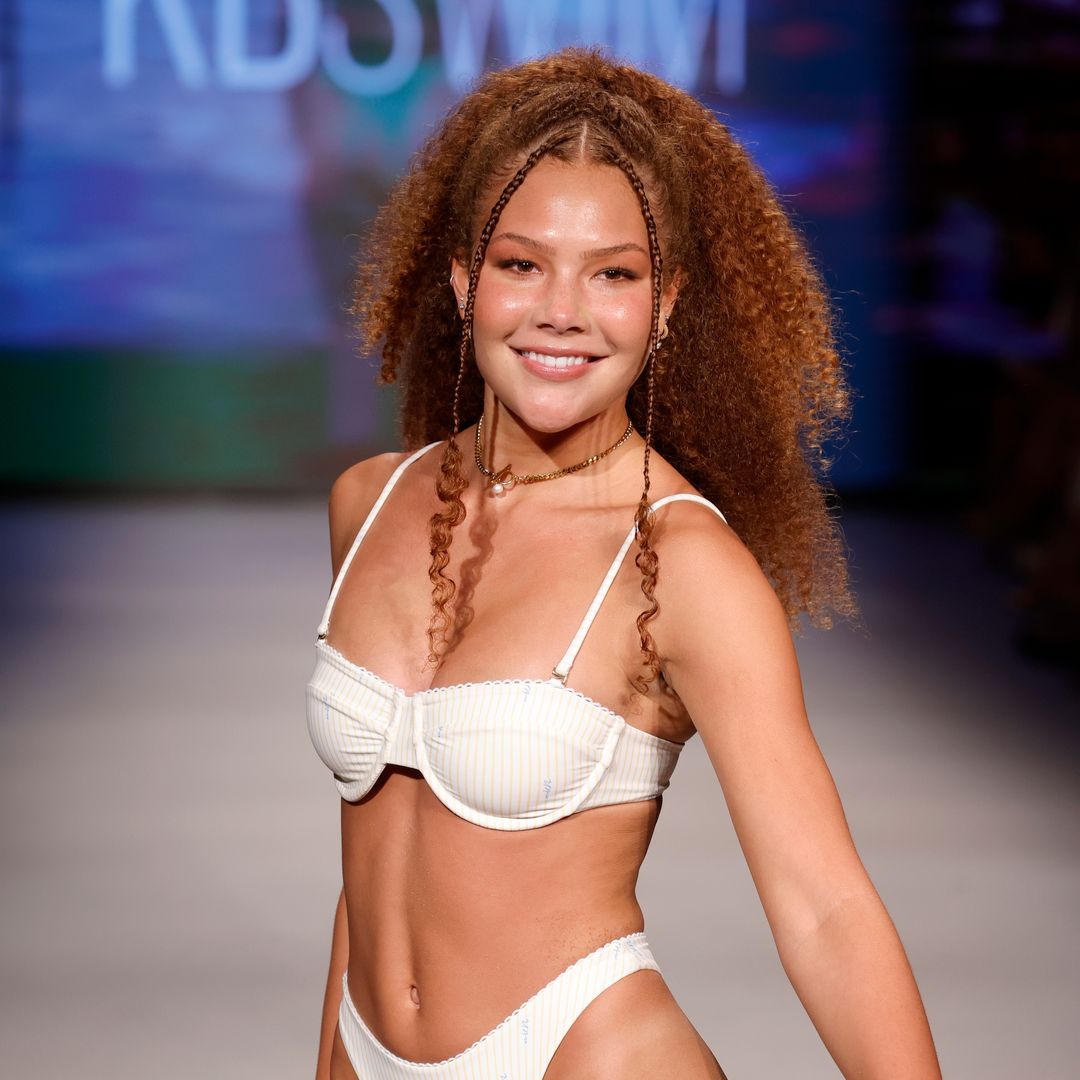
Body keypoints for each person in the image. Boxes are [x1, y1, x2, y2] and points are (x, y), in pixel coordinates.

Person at [307, 46, 941, 1080]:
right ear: (465, 281)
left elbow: (822, 906)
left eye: (614, 273)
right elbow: (378, 841)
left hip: (587, 1053)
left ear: (668, 302)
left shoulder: (684, 566)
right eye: (522, 264)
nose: (563, 310)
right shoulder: (370, 501)